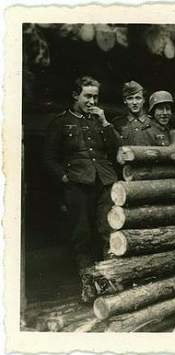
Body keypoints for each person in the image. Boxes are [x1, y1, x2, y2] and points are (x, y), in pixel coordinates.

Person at [43, 76, 121, 276]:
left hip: (104, 184)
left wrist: (105, 123)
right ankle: (88, 284)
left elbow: (117, 152)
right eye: (87, 96)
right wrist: (64, 178)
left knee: (109, 230)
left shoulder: (99, 121)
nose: (92, 102)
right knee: (82, 235)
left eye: (95, 97)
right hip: (78, 186)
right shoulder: (61, 122)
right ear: (75, 95)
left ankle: (111, 279)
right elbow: (49, 158)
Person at [113, 80, 150, 145]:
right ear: (125, 101)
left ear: (144, 100)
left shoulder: (152, 122)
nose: (134, 102)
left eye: (138, 98)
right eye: (130, 98)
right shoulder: (118, 123)